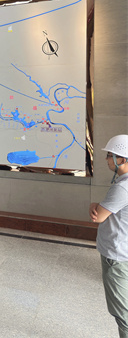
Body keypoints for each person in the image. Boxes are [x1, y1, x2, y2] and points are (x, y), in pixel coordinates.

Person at [90, 134, 128, 337]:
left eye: (110, 155)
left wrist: (94, 205)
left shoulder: (123, 187)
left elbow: (99, 216)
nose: (106, 159)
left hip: (117, 255)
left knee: (123, 314)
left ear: (122, 159)